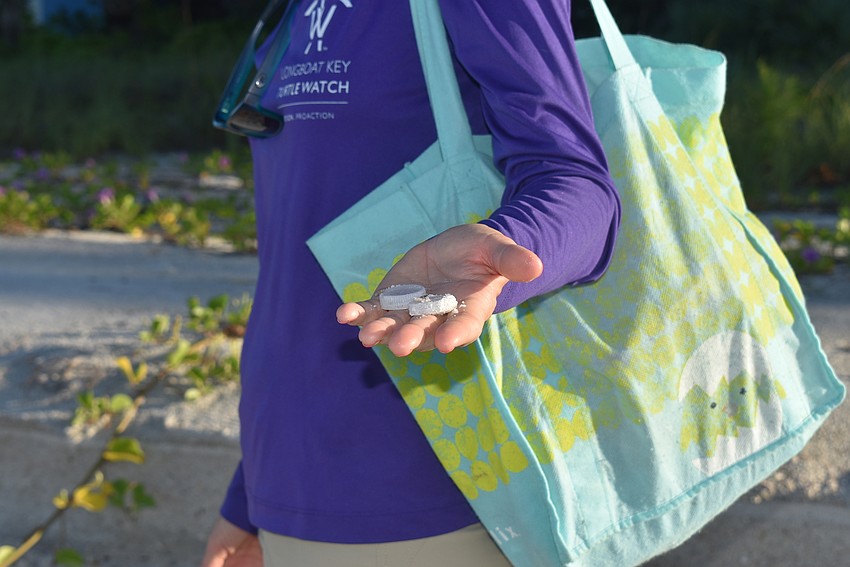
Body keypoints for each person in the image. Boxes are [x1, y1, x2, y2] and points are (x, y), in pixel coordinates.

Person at [201, 0, 620, 565]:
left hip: (439, 489)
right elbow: (295, 264)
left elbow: (579, 188)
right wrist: (248, 494)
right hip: (286, 476)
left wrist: (503, 247)